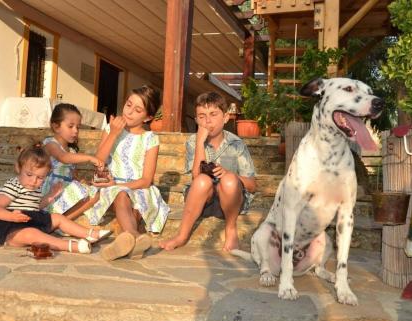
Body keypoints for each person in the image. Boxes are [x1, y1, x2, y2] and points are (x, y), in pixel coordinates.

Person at [159, 91, 256, 252]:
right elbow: (196, 176)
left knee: (230, 179)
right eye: (202, 116)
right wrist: (199, 142)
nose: (207, 121)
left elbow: (252, 185)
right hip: (203, 200)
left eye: (213, 114)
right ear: (196, 120)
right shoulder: (193, 142)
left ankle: (231, 230)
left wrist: (228, 174)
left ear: (225, 118)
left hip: (231, 202)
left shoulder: (237, 144)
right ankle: (182, 235)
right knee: (203, 180)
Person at [85, 85, 170, 261]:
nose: (129, 112)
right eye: (128, 104)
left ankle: (129, 241)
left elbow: (146, 180)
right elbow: (98, 161)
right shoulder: (110, 130)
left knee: (130, 200)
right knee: (121, 195)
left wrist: (118, 185)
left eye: (137, 110)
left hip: (139, 187)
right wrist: (114, 133)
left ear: (148, 117)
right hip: (112, 187)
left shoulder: (150, 139)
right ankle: (136, 237)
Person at [0, 145, 111, 253]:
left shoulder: (35, 188)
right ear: (18, 168)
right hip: (11, 229)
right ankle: (69, 246)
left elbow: (36, 206)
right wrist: (11, 216)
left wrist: (51, 195)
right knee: (31, 234)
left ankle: (90, 234)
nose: (34, 181)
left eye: (40, 178)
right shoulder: (13, 185)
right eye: (29, 174)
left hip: (32, 221)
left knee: (58, 218)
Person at [42, 103, 102, 221]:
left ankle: (63, 220)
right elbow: (63, 157)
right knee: (78, 189)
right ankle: (55, 220)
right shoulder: (50, 143)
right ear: (56, 126)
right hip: (52, 190)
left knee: (96, 194)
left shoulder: (72, 151)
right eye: (70, 126)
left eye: (78, 127)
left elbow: (72, 175)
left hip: (66, 188)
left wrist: (82, 181)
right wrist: (90, 158)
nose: (75, 131)